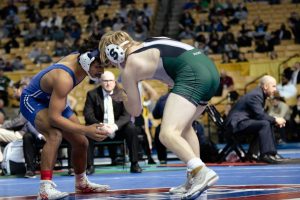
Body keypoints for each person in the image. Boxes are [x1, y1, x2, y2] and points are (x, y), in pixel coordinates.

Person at [98, 30, 220, 200]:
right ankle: (195, 179)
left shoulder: (130, 66)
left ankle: (201, 172)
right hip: (210, 70)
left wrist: (121, 94)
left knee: (167, 133)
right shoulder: (152, 41)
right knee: (185, 128)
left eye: (109, 60)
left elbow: (135, 111)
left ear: (114, 54)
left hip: (192, 75)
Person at [20, 38, 110, 200]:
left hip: (53, 98)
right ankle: (44, 189)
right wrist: (86, 129)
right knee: (55, 135)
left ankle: (81, 183)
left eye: (103, 66)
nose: (101, 71)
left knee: (82, 142)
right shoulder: (64, 77)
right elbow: (54, 118)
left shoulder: (83, 61)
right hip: (33, 100)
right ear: (85, 60)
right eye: (98, 66)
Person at [83, 70, 142, 173]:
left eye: (110, 80)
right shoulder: (92, 94)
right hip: (99, 129)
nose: (108, 83)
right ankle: (90, 166)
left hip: (117, 129)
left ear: (114, 82)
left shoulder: (121, 93)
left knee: (131, 128)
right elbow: (88, 115)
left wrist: (114, 126)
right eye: (105, 81)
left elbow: (127, 114)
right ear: (101, 82)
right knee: (88, 130)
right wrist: (101, 125)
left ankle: (134, 164)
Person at [225, 75, 287, 164]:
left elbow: (258, 116)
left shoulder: (258, 94)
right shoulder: (256, 95)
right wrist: (275, 120)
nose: (275, 89)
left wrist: (274, 120)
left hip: (240, 122)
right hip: (236, 124)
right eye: (273, 86)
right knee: (264, 124)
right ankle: (267, 154)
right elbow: (260, 115)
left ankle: (253, 154)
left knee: (265, 123)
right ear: (265, 86)